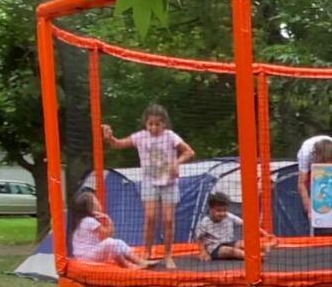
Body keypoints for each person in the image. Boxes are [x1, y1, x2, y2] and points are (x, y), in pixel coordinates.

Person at [103, 104, 195, 269]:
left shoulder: (170, 136)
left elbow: (189, 152)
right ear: (146, 123)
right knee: (150, 218)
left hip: (169, 183)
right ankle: (147, 252)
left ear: (164, 124)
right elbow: (118, 144)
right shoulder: (141, 137)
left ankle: (168, 255)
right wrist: (110, 137)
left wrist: (176, 162)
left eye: (157, 124)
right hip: (149, 183)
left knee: (168, 220)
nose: (153, 127)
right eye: (150, 124)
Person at [69, 191, 153, 269]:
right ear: (90, 207)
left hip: (84, 256)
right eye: (95, 202)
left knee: (116, 244)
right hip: (87, 257)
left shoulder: (83, 221)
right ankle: (134, 263)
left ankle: (136, 263)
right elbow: (108, 235)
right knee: (111, 243)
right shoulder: (89, 221)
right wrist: (108, 219)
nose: (98, 203)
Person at [194, 191, 277, 261]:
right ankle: (253, 258)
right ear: (211, 209)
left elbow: (247, 225)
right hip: (214, 248)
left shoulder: (229, 216)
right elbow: (199, 238)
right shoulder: (204, 222)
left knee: (245, 244)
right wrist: (203, 252)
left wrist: (265, 234)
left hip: (230, 242)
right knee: (231, 251)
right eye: (218, 211)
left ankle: (265, 246)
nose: (222, 213)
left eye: (224, 210)